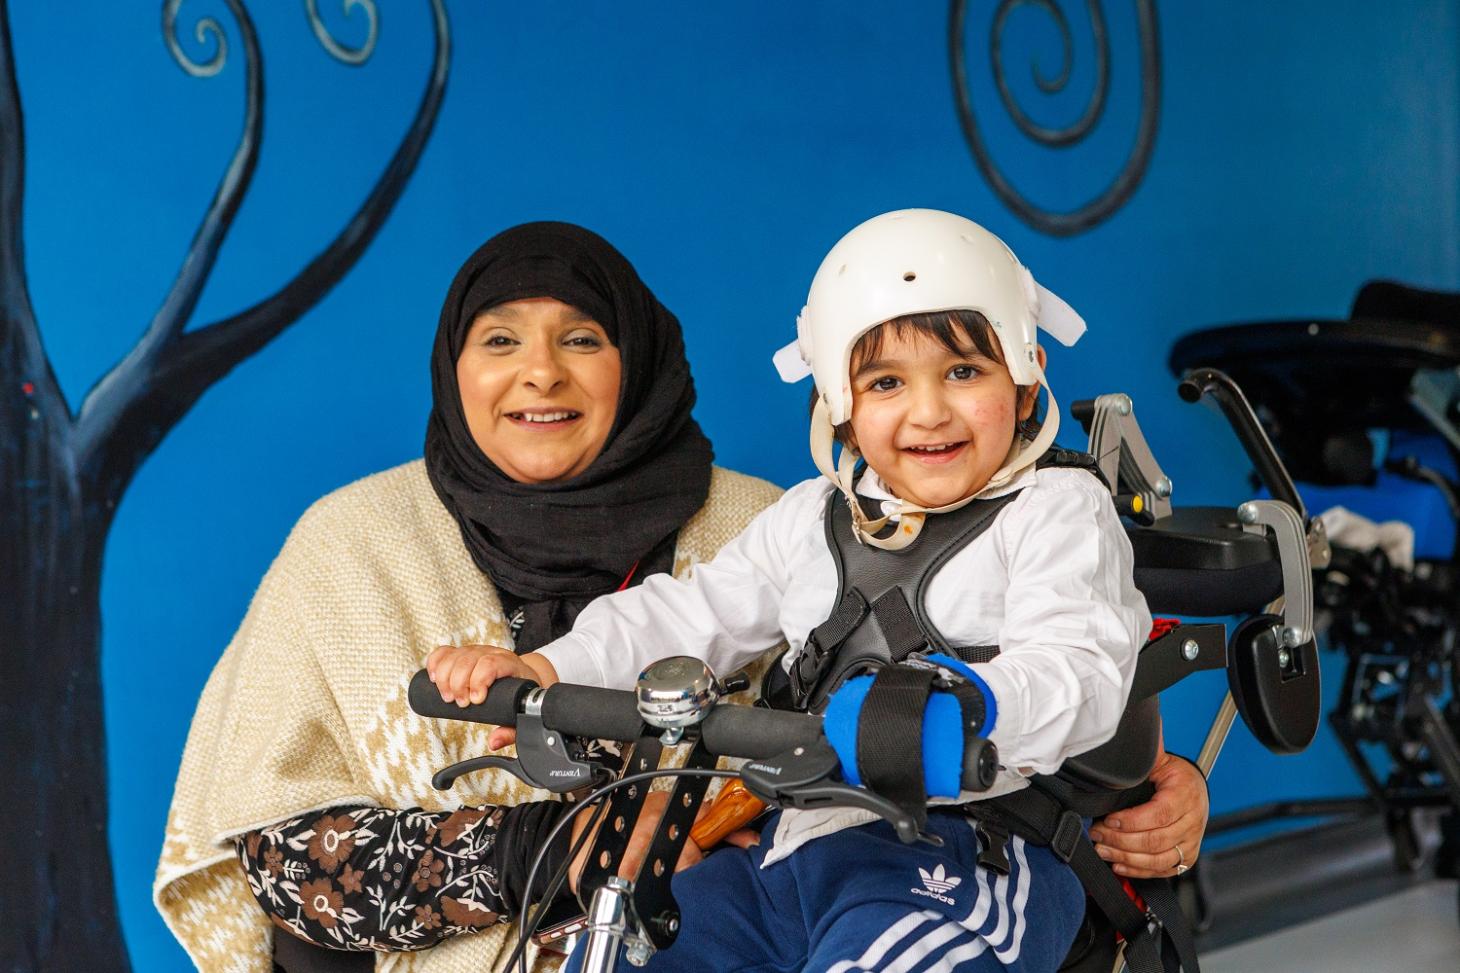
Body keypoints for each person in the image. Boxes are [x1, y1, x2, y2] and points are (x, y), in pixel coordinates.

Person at [155, 218, 1206, 973]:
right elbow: (681, 615)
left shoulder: (761, 508)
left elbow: (1073, 666)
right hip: (685, 894)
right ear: (841, 405)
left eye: (581, 338)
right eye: (500, 340)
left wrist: (1127, 781)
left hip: (928, 850)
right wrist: (544, 681)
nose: (540, 375)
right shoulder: (351, 545)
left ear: (636, 359)